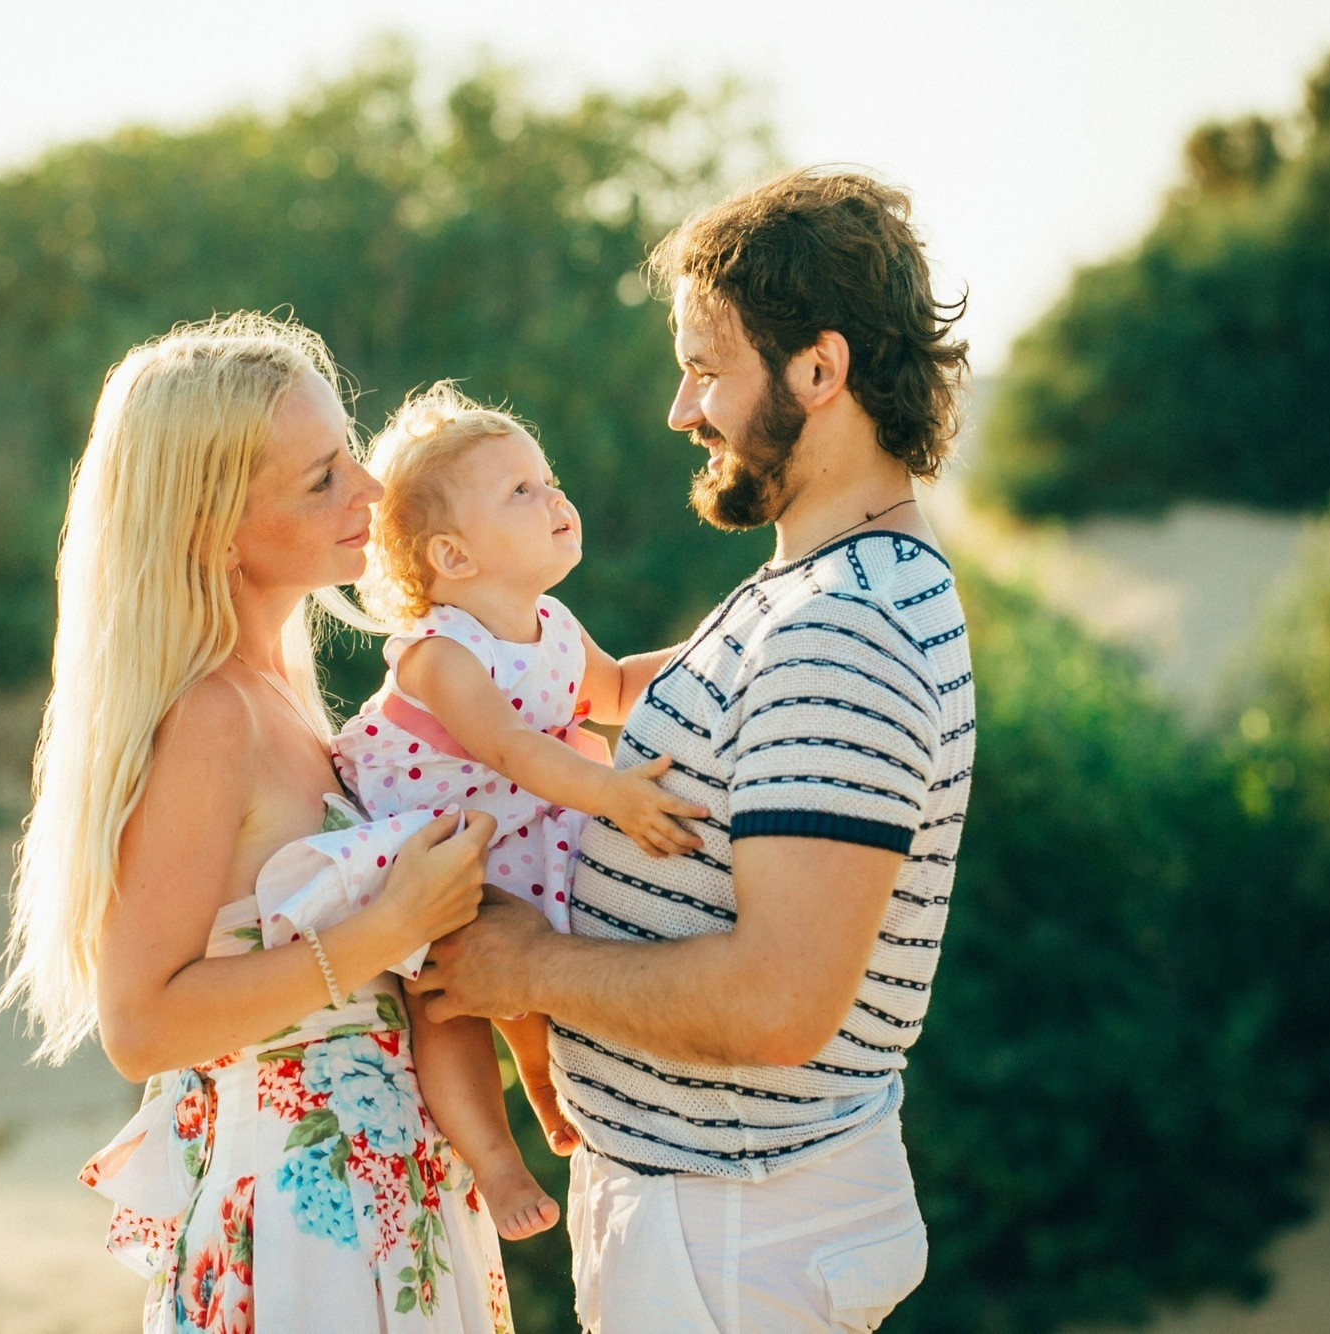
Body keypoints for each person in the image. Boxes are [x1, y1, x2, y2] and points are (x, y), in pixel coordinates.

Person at [405, 169, 975, 1333]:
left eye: (706, 369)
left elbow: (777, 1000)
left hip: (735, 1238)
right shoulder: (805, 592)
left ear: (818, 372)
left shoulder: (843, 628)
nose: (681, 408)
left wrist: (526, 969)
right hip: (709, 1219)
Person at [0, 313, 515, 1333]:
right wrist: (381, 923)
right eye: (319, 477)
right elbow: (140, 1024)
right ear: (209, 524)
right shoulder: (208, 718)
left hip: (381, 1187)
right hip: (298, 1226)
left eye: (348, 457)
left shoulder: (283, 698)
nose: (368, 492)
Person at [327, 382, 710, 1242]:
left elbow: (609, 691)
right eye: (522, 493)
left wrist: (710, 651)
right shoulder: (439, 654)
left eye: (548, 480)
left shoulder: (554, 624)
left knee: (531, 989)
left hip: (507, 830)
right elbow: (509, 748)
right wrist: (614, 793)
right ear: (454, 558)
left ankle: (544, 1083)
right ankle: (497, 1167)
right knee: (450, 1003)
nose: (555, 500)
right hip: (427, 848)